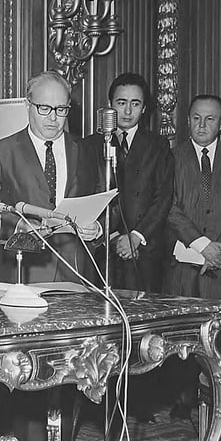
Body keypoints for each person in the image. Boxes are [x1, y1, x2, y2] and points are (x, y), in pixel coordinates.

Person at [0, 70, 102, 441]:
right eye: (45, 108)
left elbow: (93, 202)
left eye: (62, 109)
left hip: (76, 267)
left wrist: (95, 227)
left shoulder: (83, 150)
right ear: (29, 107)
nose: (53, 117)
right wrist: (28, 226)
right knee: (29, 362)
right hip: (27, 267)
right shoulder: (4, 150)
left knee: (76, 357)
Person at [164, 95, 221, 417]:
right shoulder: (172, 156)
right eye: (196, 118)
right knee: (183, 334)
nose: (202, 126)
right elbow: (170, 207)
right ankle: (183, 398)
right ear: (187, 120)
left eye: (210, 119)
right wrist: (202, 244)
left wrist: (220, 247)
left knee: (217, 334)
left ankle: (214, 400)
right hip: (184, 260)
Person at [85, 73, 174, 293]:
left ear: (144, 108)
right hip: (103, 247)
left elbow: (163, 197)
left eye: (135, 104)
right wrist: (113, 237)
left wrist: (135, 237)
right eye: (121, 103)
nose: (127, 111)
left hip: (145, 248)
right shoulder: (91, 144)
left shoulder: (158, 145)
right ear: (110, 105)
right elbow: (87, 194)